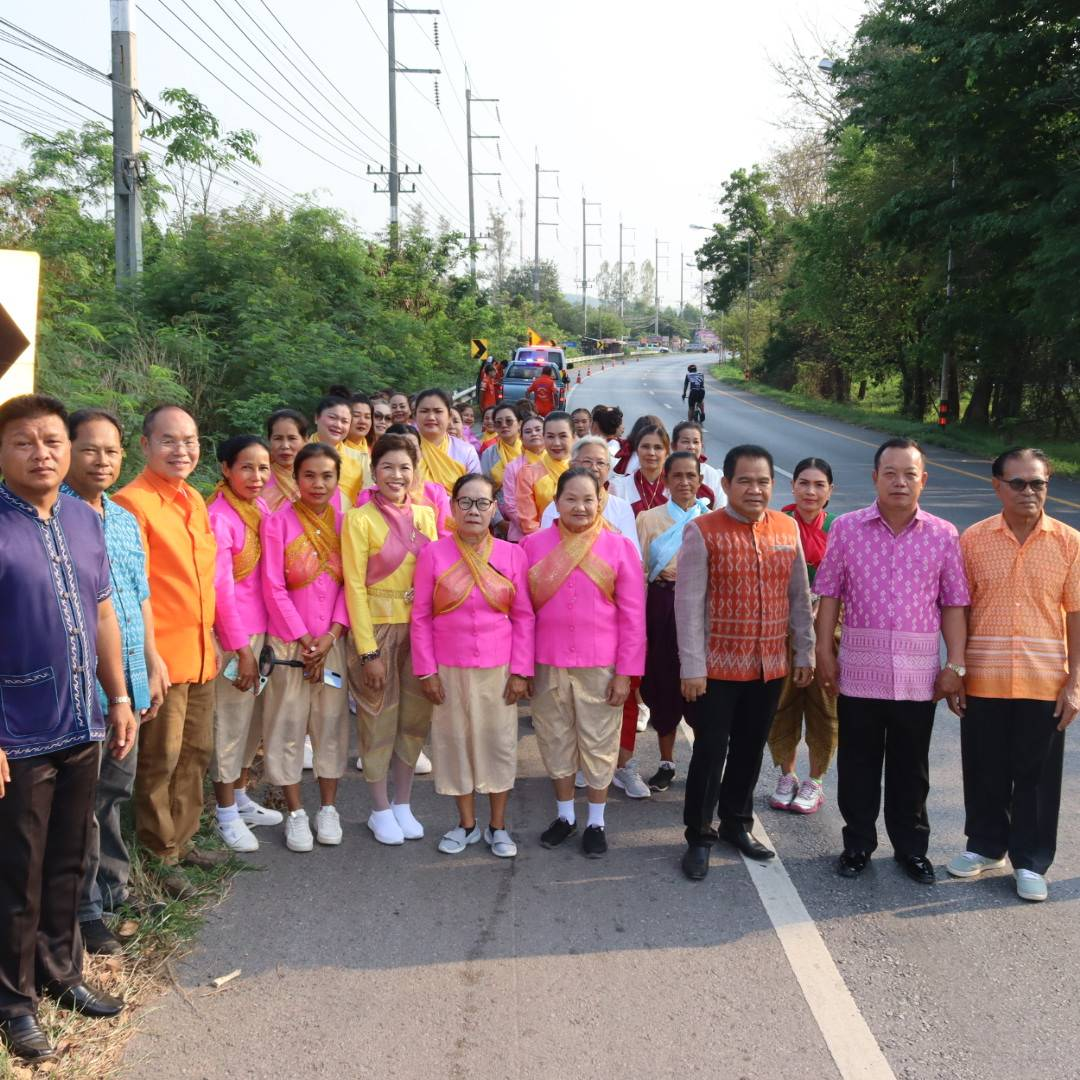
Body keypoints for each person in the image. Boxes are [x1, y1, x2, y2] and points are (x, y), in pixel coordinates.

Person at [0, 395, 136, 1064]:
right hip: (17, 732)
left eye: (51, 439)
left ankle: (62, 973)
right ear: (3, 453)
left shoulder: (85, 520)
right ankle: (13, 1003)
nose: (42, 452)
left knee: (67, 860)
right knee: (16, 873)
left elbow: (104, 613)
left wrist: (119, 695)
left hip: (83, 719)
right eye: (23, 441)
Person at [815, 438, 969, 885]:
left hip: (918, 676)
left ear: (923, 479)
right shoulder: (846, 527)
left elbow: (954, 604)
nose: (900, 482)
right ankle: (858, 843)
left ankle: (911, 848)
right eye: (890, 473)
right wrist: (824, 652)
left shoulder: (943, 534)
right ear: (875, 478)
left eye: (909, 474)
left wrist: (955, 665)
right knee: (858, 764)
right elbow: (829, 595)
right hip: (858, 672)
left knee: (911, 767)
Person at [675, 444, 814, 881]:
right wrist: (692, 667)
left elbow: (799, 597)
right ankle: (698, 835)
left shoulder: (786, 528)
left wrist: (805, 652)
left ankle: (737, 824)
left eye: (763, 481)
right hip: (716, 668)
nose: (755, 489)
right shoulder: (703, 530)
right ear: (727, 484)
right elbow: (689, 604)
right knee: (710, 752)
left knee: (750, 751)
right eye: (745, 481)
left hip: (769, 665)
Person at [948, 448, 1080, 902]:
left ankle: (1031, 860)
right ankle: (985, 847)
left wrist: (1075, 683)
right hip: (984, 674)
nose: (1029, 492)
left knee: (1037, 776)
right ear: (997, 485)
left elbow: (1077, 615)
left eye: (1038, 483)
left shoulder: (1069, 542)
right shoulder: (973, 540)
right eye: (1019, 483)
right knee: (984, 767)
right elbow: (959, 610)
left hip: (1045, 680)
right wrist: (957, 669)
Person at [63, 409, 167, 956]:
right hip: (82, 688)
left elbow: (139, 596)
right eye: (89, 449)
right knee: (81, 800)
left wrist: (151, 659)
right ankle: (81, 911)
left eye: (111, 451)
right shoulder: (53, 517)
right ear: (67, 452)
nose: (102, 460)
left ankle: (113, 889)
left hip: (128, 680)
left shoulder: (123, 518)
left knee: (113, 792)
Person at [114, 405, 221, 896]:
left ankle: (184, 838)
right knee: (160, 757)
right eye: (169, 441)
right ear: (145, 445)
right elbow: (134, 591)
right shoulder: (131, 504)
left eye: (190, 440)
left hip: (201, 651)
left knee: (196, 753)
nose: (182, 450)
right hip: (162, 657)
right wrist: (149, 658)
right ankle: (159, 854)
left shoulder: (194, 499)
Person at [523, 468, 646, 857]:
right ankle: (564, 816)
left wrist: (626, 674)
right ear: (556, 502)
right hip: (547, 662)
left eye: (588, 499)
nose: (580, 506)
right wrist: (522, 668)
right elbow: (521, 615)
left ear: (601, 500)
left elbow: (633, 617)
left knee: (598, 743)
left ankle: (596, 821)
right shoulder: (531, 546)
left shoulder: (620, 547)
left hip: (601, 666)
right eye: (571, 499)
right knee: (555, 739)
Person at [411, 474, 534, 857]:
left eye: (482, 503)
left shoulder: (513, 554)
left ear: (494, 508)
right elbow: (420, 617)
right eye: (465, 502)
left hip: (498, 670)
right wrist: (426, 672)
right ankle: (466, 825)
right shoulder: (433, 553)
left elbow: (524, 617)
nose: (474, 511)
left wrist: (520, 672)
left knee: (498, 746)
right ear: (452, 508)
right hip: (447, 669)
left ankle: (498, 826)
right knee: (453, 746)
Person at [342, 434, 439, 845]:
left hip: (418, 630)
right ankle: (379, 807)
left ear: (415, 472)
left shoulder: (427, 515)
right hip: (377, 631)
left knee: (415, 721)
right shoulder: (358, 519)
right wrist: (368, 652)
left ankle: (403, 802)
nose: (396, 475)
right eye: (387, 467)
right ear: (373, 471)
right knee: (377, 720)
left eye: (404, 468)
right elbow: (354, 587)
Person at [260, 443, 351, 852]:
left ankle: (328, 808)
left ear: (337, 479)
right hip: (288, 644)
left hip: (331, 642)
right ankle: (296, 812)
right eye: (309, 475)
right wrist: (302, 640)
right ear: (296, 478)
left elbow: (353, 585)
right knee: (287, 724)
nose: (318, 483)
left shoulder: (346, 523)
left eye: (327, 476)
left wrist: (330, 636)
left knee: (331, 725)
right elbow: (273, 586)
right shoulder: (277, 522)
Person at [207, 435, 283, 853]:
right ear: (225, 469)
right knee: (229, 727)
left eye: (264, 468)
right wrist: (241, 649)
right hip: (235, 638)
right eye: (247, 468)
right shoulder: (219, 517)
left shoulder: (260, 508)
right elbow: (221, 591)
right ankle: (224, 813)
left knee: (250, 724)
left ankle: (239, 796)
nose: (257, 476)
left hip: (262, 633)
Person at [767, 458, 839, 815]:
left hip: (827, 630)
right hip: (780, 630)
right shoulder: (775, 525)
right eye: (804, 483)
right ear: (792, 486)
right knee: (782, 703)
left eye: (819, 485)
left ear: (829, 491)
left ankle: (815, 779)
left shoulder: (841, 531)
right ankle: (787, 774)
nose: (811, 491)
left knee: (824, 706)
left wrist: (820, 611)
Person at [636, 452, 710, 792]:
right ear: (665, 480)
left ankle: (702, 763)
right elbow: (638, 573)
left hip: (698, 608)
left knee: (700, 686)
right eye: (677, 476)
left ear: (700, 480)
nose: (684, 482)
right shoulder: (648, 520)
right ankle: (666, 762)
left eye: (690, 476)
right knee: (663, 683)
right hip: (660, 604)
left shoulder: (711, 519)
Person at [539, 436, 640, 551]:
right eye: (587, 461)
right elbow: (545, 554)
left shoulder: (621, 508)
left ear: (608, 469)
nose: (594, 468)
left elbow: (631, 553)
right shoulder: (555, 508)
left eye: (601, 463)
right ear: (572, 466)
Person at [359, 423, 451, 539]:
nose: (404, 452)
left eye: (412, 447)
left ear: (421, 452)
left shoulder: (436, 493)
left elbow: (445, 537)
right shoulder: (368, 496)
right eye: (396, 446)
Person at [413, 387, 481, 497]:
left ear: (449, 416)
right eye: (424, 411)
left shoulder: (466, 451)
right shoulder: (404, 448)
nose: (431, 417)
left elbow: (475, 492)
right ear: (415, 415)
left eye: (438, 411)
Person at [515, 410, 573, 536]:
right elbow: (529, 523)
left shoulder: (584, 470)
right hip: (544, 543)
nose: (556, 443)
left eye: (563, 436)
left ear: (573, 437)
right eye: (550, 436)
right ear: (544, 437)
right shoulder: (528, 474)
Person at [311, 395, 367, 506]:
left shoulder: (360, 459)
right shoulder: (296, 453)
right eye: (332, 417)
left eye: (345, 421)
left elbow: (365, 500)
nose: (338, 425)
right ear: (316, 418)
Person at [498, 414, 544, 541]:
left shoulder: (558, 463)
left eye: (538, 429)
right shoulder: (512, 467)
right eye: (528, 431)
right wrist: (532, 529)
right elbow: (510, 504)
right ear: (522, 438)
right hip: (521, 534)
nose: (534, 433)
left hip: (556, 532)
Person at [671, 421, 725, 508]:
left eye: (696, 442)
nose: (691, 446)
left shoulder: (713, 475)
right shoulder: (665, 474)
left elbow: (721, 509)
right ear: (673, 446)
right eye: (685, 441)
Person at [263, 409, 308, 512]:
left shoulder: (316, 475)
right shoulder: (259, 477)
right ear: (269, 440)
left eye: (292, 438)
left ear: (305, 440)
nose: (285, 446)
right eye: (278, 438)